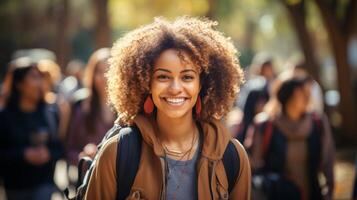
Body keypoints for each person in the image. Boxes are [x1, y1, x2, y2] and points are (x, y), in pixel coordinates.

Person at [84, 17, 251, 200]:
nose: (175, 88)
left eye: (187, 77)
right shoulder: (118, 152)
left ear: (201, 84)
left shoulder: (232, 157)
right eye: (163, 77)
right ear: (147, 83)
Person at [250, 75, 335, 200]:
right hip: (278, 195)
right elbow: (254, 165)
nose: (308, 97)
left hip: (313, 193)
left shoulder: (318, 123)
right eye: (302, 93)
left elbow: (328, 160)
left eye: (308, 92)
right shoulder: (266, 125)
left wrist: (329, 191)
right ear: (287, 96)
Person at [0, 57, 64, 200]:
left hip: (44, 185)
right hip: (15, 188)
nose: (40, 83)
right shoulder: (4, 117)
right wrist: (23, 155)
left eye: (41, 78)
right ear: (19, 83)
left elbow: (60, 148)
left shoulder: (50, 113)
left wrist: (48, 153)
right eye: (34, 77)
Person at [66, 48, 115, 166]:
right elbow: (69, 150)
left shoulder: (128, 108)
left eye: (109, 71)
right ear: (92, 74)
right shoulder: (80, 105)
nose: (104, 77)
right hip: (89, 177)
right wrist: (83, 156)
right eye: (99, 71)